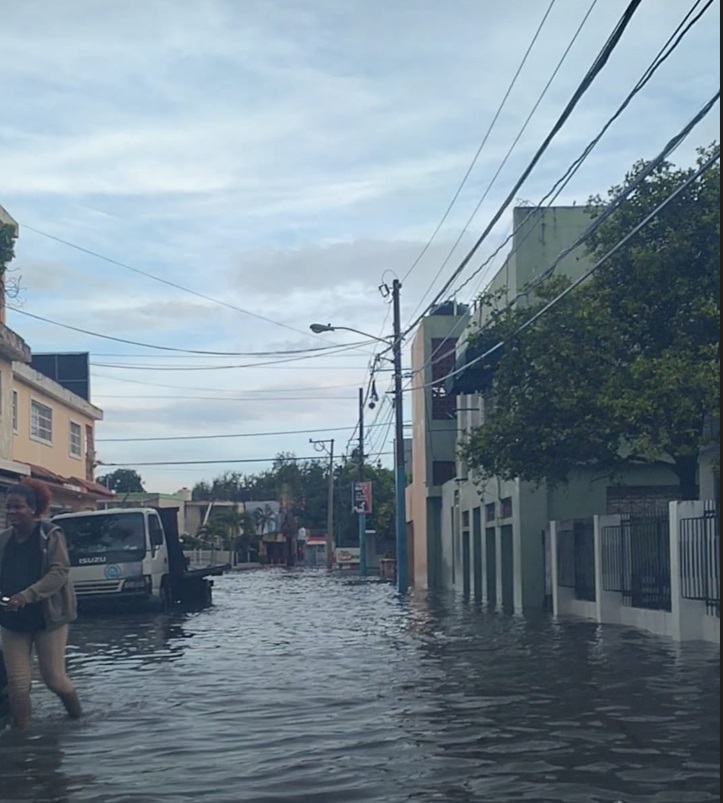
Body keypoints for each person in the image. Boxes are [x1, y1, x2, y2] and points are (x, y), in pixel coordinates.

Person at [0, 479, 82, 730]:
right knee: (17, 682)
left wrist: (27, 595)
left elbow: (59, 573)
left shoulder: (50, 535)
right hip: (12, 621)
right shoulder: (3, 540)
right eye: (8, 507)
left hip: (48, 619)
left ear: (33, 509)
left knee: (54, 680)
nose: (12, 513)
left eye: (18, 507)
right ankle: (22, 736)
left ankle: (78, 719)